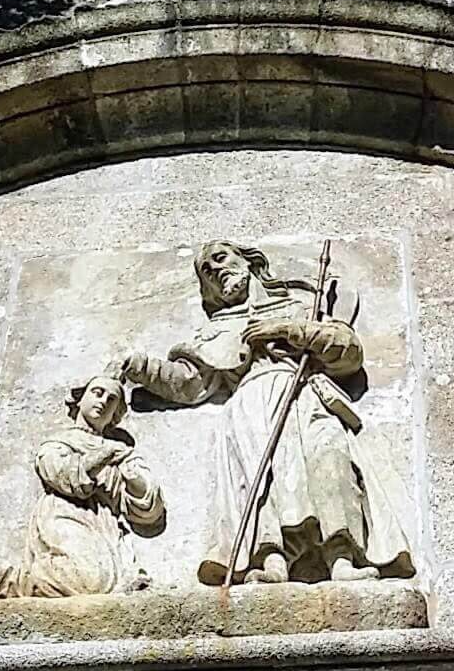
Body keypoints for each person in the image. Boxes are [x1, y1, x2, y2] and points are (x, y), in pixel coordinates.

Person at [119, 241, 412, 585]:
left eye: (221, 259)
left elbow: (348, 353)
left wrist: (286, 330)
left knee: (331, 460)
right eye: (207, 272)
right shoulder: (218, 328)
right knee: (266, 480)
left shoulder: (300, 304)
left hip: (305, 394)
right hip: (252, 402)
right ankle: (272, 561)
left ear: (248, 260)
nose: (216, 271)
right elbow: (190, 383)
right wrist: (141, 367)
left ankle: (342, 560)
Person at [0, 373, 164, 601]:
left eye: (111, 400)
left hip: (104, 524)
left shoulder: (121, 451)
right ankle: (0, 580)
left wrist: (135, 479)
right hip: (64, 514)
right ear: (80, 399)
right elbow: (60, 473)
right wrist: (103, 455)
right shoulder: (60, 442)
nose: (103, 401)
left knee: (104, 579)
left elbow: (148, 508)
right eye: (97, 393)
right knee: (92, 580)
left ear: (115, 415)